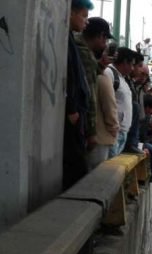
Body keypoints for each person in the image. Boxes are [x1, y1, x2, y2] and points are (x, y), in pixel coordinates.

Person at [64, 0, 93, 190]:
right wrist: (72, 108)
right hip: (73, 115)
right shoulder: (67, 42)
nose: (86, 22)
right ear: (71, 13)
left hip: (77, 114)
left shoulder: (69, 40)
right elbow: (70, 77)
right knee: (76, 169)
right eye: (83, 16)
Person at [77, 17, 113, 164]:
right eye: (105, 39)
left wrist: (99, 67)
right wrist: (92, 133)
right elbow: (89, 95)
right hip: (81, 126)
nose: (105, 45)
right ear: (100, 36)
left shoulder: (76, 47)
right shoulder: (84, 54)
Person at [89, 44, 120, 168]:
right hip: (101, 137)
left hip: (93, 135)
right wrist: (114, 128)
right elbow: (109, 105)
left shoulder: (95, 73)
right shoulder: (103, 77)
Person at [104, 46, 136, 157]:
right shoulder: (109, 73)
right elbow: (106, 101)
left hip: (122, 132)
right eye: (132, 64)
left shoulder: (122, 78)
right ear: (125, 62)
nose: (132, 68)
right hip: (113, 132)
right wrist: (113, 126)